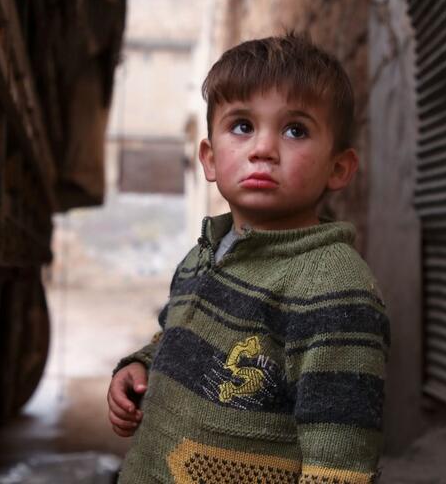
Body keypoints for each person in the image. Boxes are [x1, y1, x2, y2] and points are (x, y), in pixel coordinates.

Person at [107, 34, 389, 484]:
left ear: (338, 168)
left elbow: (341, 458)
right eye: (241, 126)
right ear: (210, 157)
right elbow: (176, 339)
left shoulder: (333, 286)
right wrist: (139, 365)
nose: (263, 149)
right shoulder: (201, 256)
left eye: (295, 130)